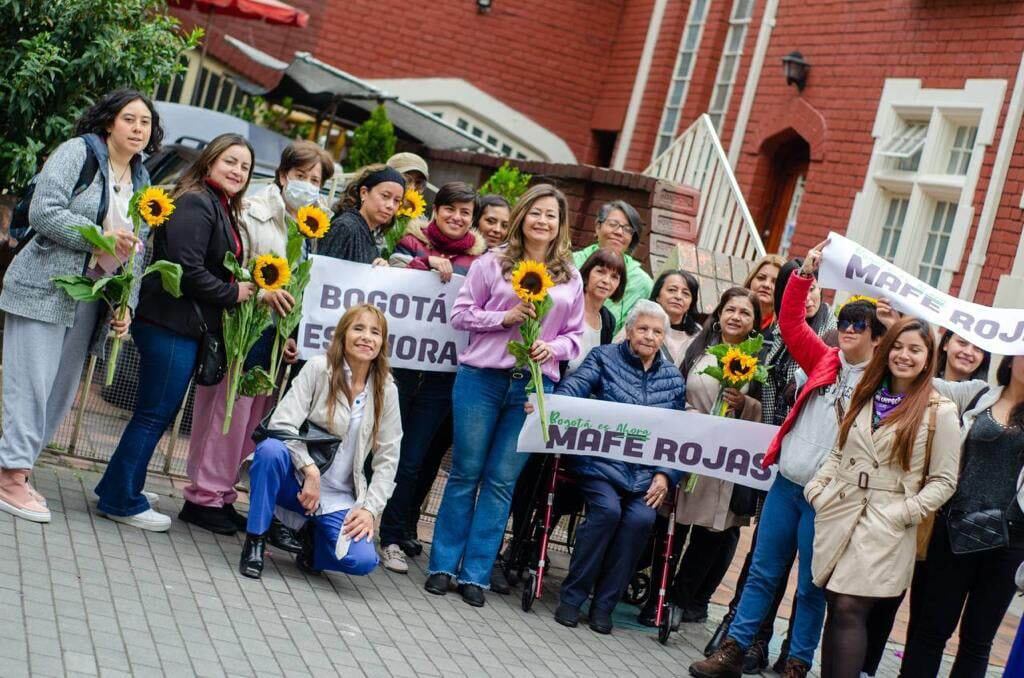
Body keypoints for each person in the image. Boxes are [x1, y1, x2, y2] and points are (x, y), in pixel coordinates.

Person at [691, 241, 885, 678]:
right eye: (845, 320)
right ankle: (733, 651)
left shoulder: (880, 383)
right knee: (762, 572)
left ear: (877, 336)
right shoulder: (824, 358)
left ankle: (797, 662)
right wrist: (804, 274)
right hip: (787, 484)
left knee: (812, 587)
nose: (849, 329)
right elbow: (792, 322)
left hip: (829, 499)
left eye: (860, 324)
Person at [0, 89, 158, 523]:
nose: (138, 128)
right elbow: (43, 212)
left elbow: (138, 250)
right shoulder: (78, 153)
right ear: (109, 122)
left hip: (91, 299)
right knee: (30, 384)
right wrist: (98, 237)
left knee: (59, 392)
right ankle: (10, 476)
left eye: (145, 122)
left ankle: (18, 471)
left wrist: (127, 304)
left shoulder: (143, 179)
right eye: (129, 119)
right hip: (44, 286)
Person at [423, 183, 583, 608]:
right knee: (465, 472)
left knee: (500, 481)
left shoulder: (570, 276)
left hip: (532, 386)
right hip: (482, 379)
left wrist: (552, 347)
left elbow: (575, 337)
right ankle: (443, 565)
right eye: (536, 212)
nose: (542, 221)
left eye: (551, 215)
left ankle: (475, 573)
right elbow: (460, 314)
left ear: (560, 224)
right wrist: (505, 317)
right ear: (522, 216)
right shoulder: (491, 263)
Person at [93, 134, 257, 531]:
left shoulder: (216, 202)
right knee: (154, 414)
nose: (237, 171)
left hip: (178, 325)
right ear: (210, 160)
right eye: (230, 161)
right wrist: (234, 293)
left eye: (245, 167)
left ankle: (119, 485)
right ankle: (120, 501)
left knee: (155, 412)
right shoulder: (197, 201)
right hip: (168, 323)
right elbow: (188, 269)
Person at [179, 140, 333, 536]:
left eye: (315, 180)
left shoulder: (310, 228)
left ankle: (223, 495)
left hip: (273, 337)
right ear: (282, 175)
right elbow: (235, 264)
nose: (307, 184)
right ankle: (202, 497)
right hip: (244, 325)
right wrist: (257, 294)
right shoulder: (253, 210)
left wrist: (289, 334)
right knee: (224, 415)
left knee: (250, 421)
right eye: (300, 175)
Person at [806, 317, 960, 678]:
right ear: (885, 349)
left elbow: (944, 480)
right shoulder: (867, 393)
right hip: (840, 509)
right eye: (897, 346)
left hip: (887, 522)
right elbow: (839, 451)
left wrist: (903, 513)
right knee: (835, 603)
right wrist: (817, 491)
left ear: (929, 357)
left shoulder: (940, 411)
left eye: (915, 349)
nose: (904, 355)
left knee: (850, 607)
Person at [861, 323, 992, 676]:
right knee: (883, 599)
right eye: (962, 341)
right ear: (945, 344)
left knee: (926, 607)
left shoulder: (981, 395)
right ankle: (866, 668)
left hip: (942, 516)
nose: (968, 352)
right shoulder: (909, 381)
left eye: (978, 347)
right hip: (901, 506)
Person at [238, 304, 401, 580]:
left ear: (382, 343)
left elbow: (389, 457)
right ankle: (255, 540)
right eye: (358, 328)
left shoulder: (386, 389)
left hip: (339, 495)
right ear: (343, 335)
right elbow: (281, 424)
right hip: (297, 479)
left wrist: (370, 509)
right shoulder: (318, 368)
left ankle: (312, 543)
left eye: (375, 332)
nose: (366, 337)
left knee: (362, 561)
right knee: (270, 450)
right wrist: (309, 470)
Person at [551, 300, 685, 634]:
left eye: (657, 332)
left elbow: (677, 435)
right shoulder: (603, 357)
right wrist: (551, 404)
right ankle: (572, 598)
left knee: (641, 520)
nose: (649, 336)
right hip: (599, 463)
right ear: (628, 330)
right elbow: (574, 388)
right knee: (607, 512)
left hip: (644, 474)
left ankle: (604, 606)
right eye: (643, 329)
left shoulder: (673, 378)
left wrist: (665, 475)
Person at [378, 182, 486, 574]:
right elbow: (388, 280)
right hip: (399, 368)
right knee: (378, 449)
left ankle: (390, 537)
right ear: (436, 210)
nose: (457, 217)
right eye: (450, 209)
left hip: (443, 378)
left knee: (412, 461)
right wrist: (424, 266)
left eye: (465, 213)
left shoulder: (480, 261)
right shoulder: (410, 242)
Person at [899, 354, 1024, 677]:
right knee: (931, 630)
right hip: (955, 528)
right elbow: (921, 381)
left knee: (977, 642)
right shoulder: (978, 394)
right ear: (1011, 359)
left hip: (1010, 542)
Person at [653, 288, 764, 625]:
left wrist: (744, 405)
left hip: (723, 462)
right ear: (719, 313)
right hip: (686, 448)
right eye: (731, 309)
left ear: (755, 322)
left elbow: (764, 412)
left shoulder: (757, 362)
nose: (736, 317)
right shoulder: (698, 346)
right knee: (672, 526)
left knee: (708, 536)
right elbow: (674, 387)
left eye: (745, 313)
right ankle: (657, 597)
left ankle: (680, 600)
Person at [572, 200, 652, 333]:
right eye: (613, 224)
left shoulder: (642, 283)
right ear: (598, 227)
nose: (619, 232)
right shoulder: (570, 262)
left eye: (627, 229)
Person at [320, 164, 405, 265]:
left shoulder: (367, 232)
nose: (390, 205)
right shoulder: (345, 227)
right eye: (385, 196)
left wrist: (379, 269)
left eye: (397, 200)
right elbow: (323, 270)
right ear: (364, 193)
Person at [564, 248, 624, 375]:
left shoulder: (608, 320)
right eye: (600, 272)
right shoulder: (567, 305)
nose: (606, 281)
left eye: (614, 277)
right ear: (587, 273)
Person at [644, 269, 701, 366]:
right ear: (658, 296)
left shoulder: (698, 335)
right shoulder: (639, 322)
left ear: (691, 303)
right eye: (672, 290)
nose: (678, 297)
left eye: (686, 293)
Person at [743, 254, 785, 334]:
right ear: (750, 280)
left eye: (775, 282)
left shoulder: (784, 329)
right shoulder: (732, 315)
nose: (766, 285)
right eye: (761, 278)